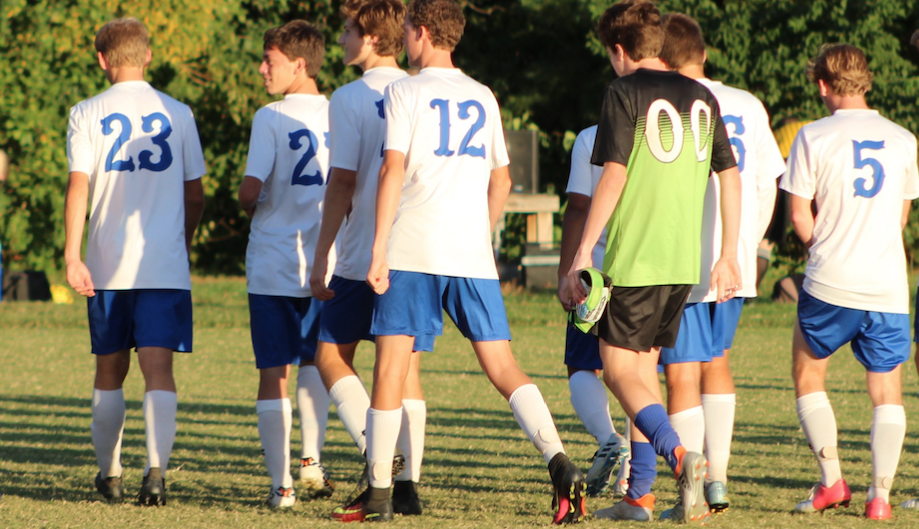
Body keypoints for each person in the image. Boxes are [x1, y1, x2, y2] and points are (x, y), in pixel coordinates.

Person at [351, 0, 586, 522]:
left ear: (424, 32)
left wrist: (376, 247)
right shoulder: (483, 95)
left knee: (391, 366)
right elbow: (500, 180)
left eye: (409, 30)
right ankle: (559, 461)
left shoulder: (404, 90)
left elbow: (393, 170)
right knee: (502, 366)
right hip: (470, 252)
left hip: (413, 245)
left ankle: (382, 495)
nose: (406, 39)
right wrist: (480, 230)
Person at [565, 0, 741, 524]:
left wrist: (580, 252)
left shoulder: (623, 91)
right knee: (643, 376)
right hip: (683, 261)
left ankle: (682, 456)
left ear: (618, 51)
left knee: (618, 370)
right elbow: (728, 176)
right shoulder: (703, 96)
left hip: (636, 258)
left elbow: (614, 174)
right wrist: (729, 252)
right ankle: (639, 498)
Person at [64, 17, 206, 506]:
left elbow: (78, 185)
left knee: (109, 371)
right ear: (148, 56)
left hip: (107, 264)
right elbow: (195, 194)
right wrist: (180, 242)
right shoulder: (179, 111)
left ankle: (111, 474)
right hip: (163, 262)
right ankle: (157, 474)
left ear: (102, 58)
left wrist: (71, 254)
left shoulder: (85, 111)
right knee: (158, 370)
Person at [656, 12, 785, 518]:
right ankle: (719, 481)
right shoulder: (747, 104)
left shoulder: (664, 102)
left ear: (661, 59)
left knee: (680, 374)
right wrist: (747, 246)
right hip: (734, 260)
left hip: (682, 258)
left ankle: (692, 490)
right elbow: (767, 182)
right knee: (719, 364)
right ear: (704, 54)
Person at [781, 43, 918, 521]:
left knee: (808, 372)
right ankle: (879, 497)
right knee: (886, 390)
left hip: (830, 280)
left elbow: (800, 214)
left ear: (822, 84)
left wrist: (826, 246)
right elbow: (901, 217)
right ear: (866, 81)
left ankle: (832, 481)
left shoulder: (812, 136)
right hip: (887, 285)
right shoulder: (903, 138)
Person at [309, 0, 427, 517]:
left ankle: (382, 459)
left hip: (363, 252)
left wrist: (321, 255)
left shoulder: (351, 96)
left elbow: (343, 182)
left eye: (347, 30)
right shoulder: (422, 88)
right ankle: (410, 487)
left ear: (372, 38)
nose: (339, 40)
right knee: (405, 371)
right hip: (418, 248)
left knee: (330, 355)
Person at [238, 20, 335, 508]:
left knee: (273, 371)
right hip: (326, 259)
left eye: (269, 60)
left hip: (275, 261)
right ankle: (311, 460)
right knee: (316, 364)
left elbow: (251, 190)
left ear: (298, 64)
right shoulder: (342, 110)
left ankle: (282, 487)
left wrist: (242, 199)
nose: (262, 69)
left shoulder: (270, 116)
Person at [557, 125, 630, 498]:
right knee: (639, 372)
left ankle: (608, 438)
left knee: (582, 364)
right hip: (649, 275)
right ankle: (634, 473)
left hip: (595, 275)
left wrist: (564, 271)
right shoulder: (670, 129)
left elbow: (579, 206)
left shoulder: (590, 136)